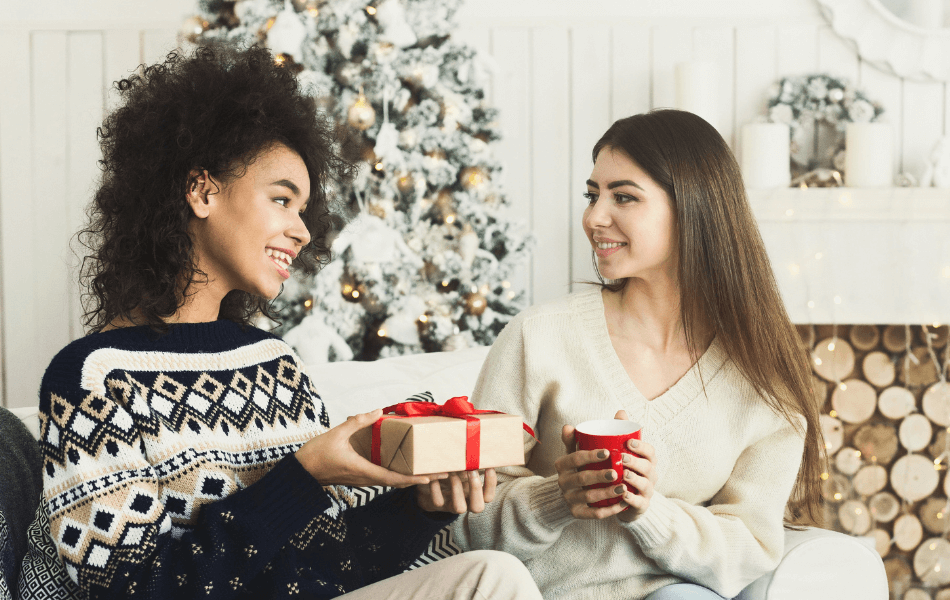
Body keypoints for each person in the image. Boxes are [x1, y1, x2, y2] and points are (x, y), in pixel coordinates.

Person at [23, 44, 541, 600]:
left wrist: (417, 509)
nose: (302, 230)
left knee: (493, 573)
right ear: (203, 191)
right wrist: (302, 476)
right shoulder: (94, 378)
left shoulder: (273, 365)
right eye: (282, 199)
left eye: (303, 209)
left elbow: (327, 570)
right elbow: (131, 591)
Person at [450, 109, 823, 600]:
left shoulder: (763, 380)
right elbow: (469, 524)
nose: (593, 218)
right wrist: (557, 496)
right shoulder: (538, 337)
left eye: (623, 196)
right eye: (592, 195)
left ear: (696, 207)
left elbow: (750, 547)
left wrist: (651, 509)